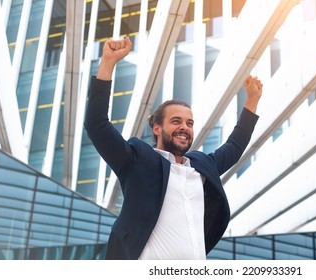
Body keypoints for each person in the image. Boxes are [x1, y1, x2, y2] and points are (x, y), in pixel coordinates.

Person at [84, 37, 263, 260]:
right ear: (156, 128)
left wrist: (252, 103)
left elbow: (234, 147)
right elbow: (96, 125)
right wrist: (108, 64)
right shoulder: (137, 160)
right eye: (176, 121)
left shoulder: (201, 166)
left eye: (189, 123)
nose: (184, 128)